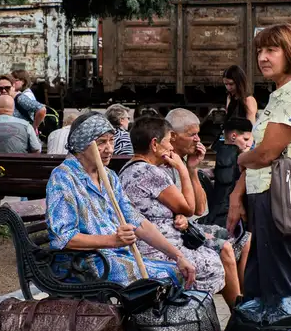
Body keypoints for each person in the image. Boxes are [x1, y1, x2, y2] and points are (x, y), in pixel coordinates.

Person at [227, 23, 291, 301]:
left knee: (278, 279)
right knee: (264, 274)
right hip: (270, 191)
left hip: (277, 194)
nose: (263, 58)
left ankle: (284, 325)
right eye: (260, 51)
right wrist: (238, 191)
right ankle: (264, 324)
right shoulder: (289, 90)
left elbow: (266, 153)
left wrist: (242, 157)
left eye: (272, 50)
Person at [46, 111, 197, 287]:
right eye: (101, 142)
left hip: (115, 257)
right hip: (83, 265)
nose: (110, 149)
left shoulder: (109, 176)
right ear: (82, 144)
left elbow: (137, 221)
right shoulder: (63, 177)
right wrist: (113, 240)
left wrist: (178, 256)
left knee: (177, 270)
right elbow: (63, 238)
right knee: (161, 279)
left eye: (111, 141)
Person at [119, 116, 242, 305]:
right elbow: (189, 208)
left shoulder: (129, 169)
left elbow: (193, 209)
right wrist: (183, 168)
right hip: (156, 249)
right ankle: (227, 313)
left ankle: (236, 310)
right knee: (213, 261)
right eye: (169, 141)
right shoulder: (150, 172)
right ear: (154, 144)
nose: (171, 147)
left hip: (157, 242)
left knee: (227, 247)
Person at [164, 108, 251, 279]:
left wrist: (192, 169)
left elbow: (200, 209)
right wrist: (183, 170)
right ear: (173, 136)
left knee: (246, 238)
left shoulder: (184, 161)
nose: (198, 139)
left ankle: (246, 293)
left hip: (189, 226)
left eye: (198, 134)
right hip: (176, 232)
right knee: (226, 247)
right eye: (192, 135)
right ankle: (237, 295)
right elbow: (190, 210)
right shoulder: (166, 163)